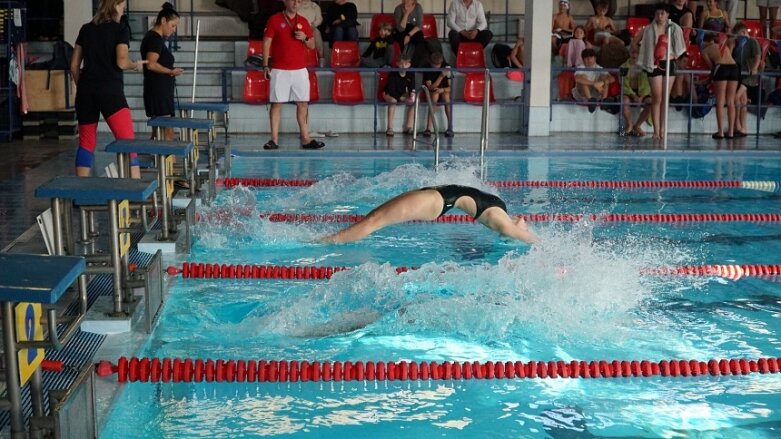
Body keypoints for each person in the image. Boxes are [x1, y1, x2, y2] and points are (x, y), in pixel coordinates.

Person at [70, 0, 145, 178]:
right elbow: (121, 61)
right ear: (115, 6)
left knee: (86, 142)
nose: (123, 11)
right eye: (122, 7)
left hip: (86, 91)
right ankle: (135, 191)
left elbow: (73, 66)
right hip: (110, 91)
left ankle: (80, 189)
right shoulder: (120, 29)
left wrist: (83, 86)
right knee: (128, 142)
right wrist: (135, 65)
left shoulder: (86, 29)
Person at [320, 185, 539, 244]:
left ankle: (325, 242)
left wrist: (549, 250)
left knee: (373, 221)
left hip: (437, 200)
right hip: (434, 194)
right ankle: (330, 239)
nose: (525, 223)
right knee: (373, 216)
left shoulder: (500, 222)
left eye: (525, 227)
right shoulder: (501, 210)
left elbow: (526, 238)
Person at [262, 0, 324, 150]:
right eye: (293, 0)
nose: (296, 3)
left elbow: (312, 46)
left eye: (298, 1)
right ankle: (274, 140)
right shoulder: (275, 19)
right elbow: (266, 43)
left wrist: (305, 38)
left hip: (300, 69)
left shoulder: (303, 21)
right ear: (285, 1)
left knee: (303, 103)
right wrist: (265, 65)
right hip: (279, 69)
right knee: (276, 103)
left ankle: (306, 139)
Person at [632, 3, 686, 140]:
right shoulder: (648, 29)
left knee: (665, 99)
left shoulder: (674, 28)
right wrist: (643, 55)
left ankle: (663, 129)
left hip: (669, 62)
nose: (660, 16)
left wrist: (671, 53)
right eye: (657, 14)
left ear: (667, 14)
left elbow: (680, 49)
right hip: (654, 64)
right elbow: (634, 42)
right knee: (657, 98)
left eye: (662, 13)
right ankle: (656, 131)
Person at [140, 3, 184, 142]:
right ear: (163, 20)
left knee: (158, 132)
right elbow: (151, 64)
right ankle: (170, 162)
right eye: (173, 25)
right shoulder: (154, 40)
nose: (174, 30)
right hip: (159, 91)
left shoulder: (153, 38)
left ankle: (158, 161)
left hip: (157, 90)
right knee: (167, 132)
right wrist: (170, 71)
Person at [702, 32, 739, 139]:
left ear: (706, 41)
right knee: (731, 102)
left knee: (720, 102)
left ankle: (721, 132)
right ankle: (731, 132)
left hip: (721, 68)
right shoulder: (723, 46)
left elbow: (712, 68)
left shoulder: (705, 51)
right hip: (734, 68)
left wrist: (708, 81)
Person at [732, 22, 761, 137]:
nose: (738, 38)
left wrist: (754, 68)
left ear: (744, 32)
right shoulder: (739, 46)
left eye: (739, 35)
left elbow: (758, 57)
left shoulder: (752, 42)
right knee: (742, 101)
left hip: (749, 77)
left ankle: (738, 125)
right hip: (741, 74)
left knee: (736, 97)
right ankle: (743, 128)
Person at [620, 47, 651, 136]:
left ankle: (637, 126)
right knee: (624, 102)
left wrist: (641, 97)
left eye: (637, 52)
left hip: (643, 93)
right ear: (629, 53)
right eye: (632, 52)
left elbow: (648, 84)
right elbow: (624, 85)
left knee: (651, 104)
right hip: (629, 92)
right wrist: (634, 96)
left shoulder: (645, 67)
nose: (634, 55)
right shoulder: (623, 67)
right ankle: (629, 125)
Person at [383, 54, 416, 137]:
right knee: (393, 101)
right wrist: (403, 99)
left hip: (401, 93)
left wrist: (412, 95)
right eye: (401, 64)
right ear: (397, 64)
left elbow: (412, 86)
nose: (403, 66)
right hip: (388, 93)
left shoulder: (410, 73)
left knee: (414, 102)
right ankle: (390, 128)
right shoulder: (393, 73)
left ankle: (408, 127)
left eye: (405, 64)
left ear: (409, 65)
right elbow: (391, 90)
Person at [573, 48, 615, 113]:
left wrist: (602, 82)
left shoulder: (599, 68)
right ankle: (590, 101)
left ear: (595, 58)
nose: (589, 60)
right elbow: (577, 79)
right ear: (583, 60)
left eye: (591, 57)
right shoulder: (581, 67)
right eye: (586, 58)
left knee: (605, 77)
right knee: (583, 77)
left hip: (596, 94)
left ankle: (604, 101)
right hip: (582, 95)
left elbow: (612, 79)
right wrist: (594, 84)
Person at [422, 52, 453, 138]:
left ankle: (450, 127)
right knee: (435, 95)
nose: (437, 67)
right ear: (430, 63)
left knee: (447, 97)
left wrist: (442, 89)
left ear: (442, 62)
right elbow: (431, 88)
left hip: (443, 90)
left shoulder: (447, 67)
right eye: (434, 65)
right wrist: (441, 76)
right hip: (432, 91)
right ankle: (428, 128)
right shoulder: (427, 68)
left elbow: (451, 87)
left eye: (438, 65)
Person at [394, 0, 428, 68]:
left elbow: (419, 25)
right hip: (402, 30)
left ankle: (413, 65)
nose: (407, 0)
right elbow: (400, 28)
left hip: (414, 30)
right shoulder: (398, 8)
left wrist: (409, 35)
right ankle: (401, 63)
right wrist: (406, 13)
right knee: (400, 38)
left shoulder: (418, 7)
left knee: (420, 39)